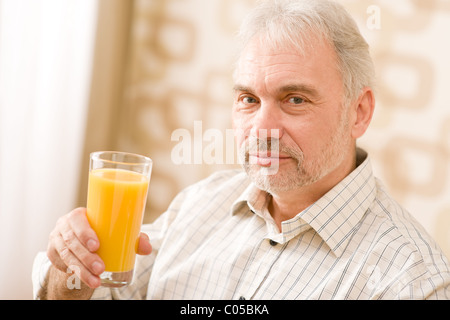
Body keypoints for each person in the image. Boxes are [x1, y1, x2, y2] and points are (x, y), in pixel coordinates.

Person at [32, 0, 450, 300]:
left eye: (295, 99)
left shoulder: (409, 281)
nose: (263, 129)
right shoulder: (200, 204)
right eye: (249, 99)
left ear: (358, 112)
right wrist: (69, 276)